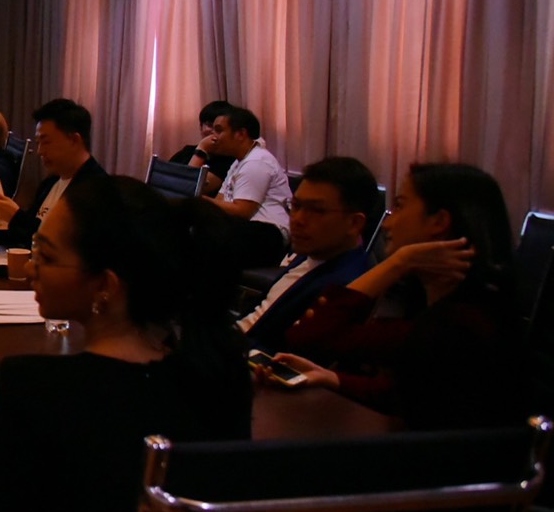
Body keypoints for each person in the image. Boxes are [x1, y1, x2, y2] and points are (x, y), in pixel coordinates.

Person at [0, 176, 250, 512]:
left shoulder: (34, 387)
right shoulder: (222, 375)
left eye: (46, 255)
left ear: (106, 286)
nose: (32, 266)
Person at [273, 163, 528, 429]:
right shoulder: (442, 304)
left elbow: (309, 336)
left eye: (400, 206)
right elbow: (406, 391)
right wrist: (332, 378)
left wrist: (400, 262)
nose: (387, 222)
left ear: (439, 222)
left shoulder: (464, 321)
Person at [238, 156, 378, 346]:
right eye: (296, 206)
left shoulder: (344, 288)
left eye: (316, 210)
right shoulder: (314, 253)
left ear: (354, 223)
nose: (297, 219)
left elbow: (283, 352)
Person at [0, 98, 104, 247]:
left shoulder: (97, 190)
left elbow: (63, 245)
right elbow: (25, 236)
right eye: (38, 142)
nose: (40, 151)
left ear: (74, 140)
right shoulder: (51, 182)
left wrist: (16, 217)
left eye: (46, 142)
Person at [206, 104, 293, 267]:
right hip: (246, 228)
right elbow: (220, 199)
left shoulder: (257, 161)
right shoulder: (238, 161)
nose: (214, 137)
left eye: (219, 131)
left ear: (241, 134)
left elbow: (242, 211)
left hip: (269, 232)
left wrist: (199, 200)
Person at [168, 99, 236, 196]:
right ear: (201, 127)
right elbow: (162, 179)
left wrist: (202, 149)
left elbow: (188, 188)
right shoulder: (187, 151)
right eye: (209, 125)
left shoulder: (228, 160)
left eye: (219, 128)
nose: (213, 131)